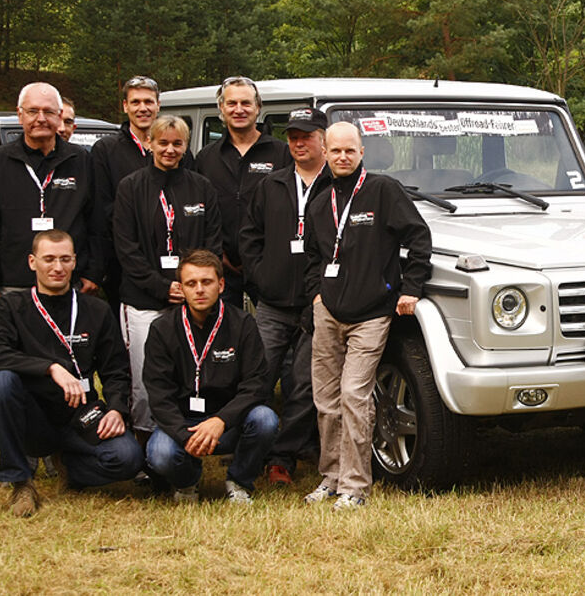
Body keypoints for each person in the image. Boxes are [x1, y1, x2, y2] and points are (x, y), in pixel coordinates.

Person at [302, 121, 432, 510]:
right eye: (336, 151)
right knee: (325, 400)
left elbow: (419, 238)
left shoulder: (382, 190)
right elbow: (312, 255)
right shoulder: (319, 196)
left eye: (350, 151)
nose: (342, 157)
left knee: (354, 397)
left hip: (372, 314)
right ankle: (330, 477)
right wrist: (316, 296)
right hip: (328, 311)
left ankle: (355, 487)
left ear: (362, 153)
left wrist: (410, 289)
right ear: (325, 152)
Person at [0, 230, 143, 517]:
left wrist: (117, 410)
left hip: (80, 413)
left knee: (128, 459)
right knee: (1, 382)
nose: (57, 267)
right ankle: (20, 481)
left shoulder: (96, 309)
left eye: (65, 259)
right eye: (49, 259)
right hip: (33, 416)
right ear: (32, 262)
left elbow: (116, 368)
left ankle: (70, 467)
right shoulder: (11, 307)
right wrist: (50, 368)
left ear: (74, 262)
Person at [113, 115, 222, 450]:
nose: (170, 150)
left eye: (177, 143)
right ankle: (145, 442)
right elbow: (126, 248)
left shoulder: (201, 187)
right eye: (163, 143)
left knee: (190, 373)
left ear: (186, 146)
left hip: (194, 301)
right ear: (150, 144)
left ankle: (186, 439)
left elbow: (212, 242)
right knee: (146, 378)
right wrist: (162, 287)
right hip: (145, 299)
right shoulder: (131, 187)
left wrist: (192, 289)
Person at [143, 250, 278, 503]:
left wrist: (221, 420)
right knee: (160, 454)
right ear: (181, 289)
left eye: (207, 282)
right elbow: (159, 395)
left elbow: (256, 384)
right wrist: (185, 436)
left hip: (228, 422)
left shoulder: (243, 324)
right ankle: (187, 482)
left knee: (265, 419)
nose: (199, 290)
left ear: (221, 284)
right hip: (182, 423)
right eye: (191, 283)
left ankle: (238, 482)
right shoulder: (162, 329)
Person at [239, 107, 329, 485]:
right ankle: (248, 452)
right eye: (292, 135)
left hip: (317, 305)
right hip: (273, 304)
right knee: (257, 377)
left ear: (323, 139)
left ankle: (283, 459)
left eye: (306, 135)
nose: (298, 142)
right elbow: (249, 237)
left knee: (305, 385)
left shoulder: (338, 185)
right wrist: (262, 279)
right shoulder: (271, 185)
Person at [0, 82, 102, 314]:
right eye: (32, 111)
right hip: (13, 282)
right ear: (19, 115)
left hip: (67, 282)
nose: (41, 118)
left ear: (60, 116)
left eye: (49, 112)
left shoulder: (81, 161)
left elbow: (96, 222)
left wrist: (92, 272)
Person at [92, 76, 194, 315]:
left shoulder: (178, 151)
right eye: (135, 102)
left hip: (175, 261)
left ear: (158, 105)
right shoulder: (106, 150)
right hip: (125, 260)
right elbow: (101, 206)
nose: (143, 108)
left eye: (148, 101)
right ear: (125, 106)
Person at [194, 76, 292, 309]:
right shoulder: (206, 158)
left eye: (246, 103)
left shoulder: (282, 154)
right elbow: (199, 211)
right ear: (221, 108)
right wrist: (216, 253)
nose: (239, 110)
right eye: (232, 103)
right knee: (226, 338)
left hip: (269, 265)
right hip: (222, 267)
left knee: (271, 340)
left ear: (258, 108)